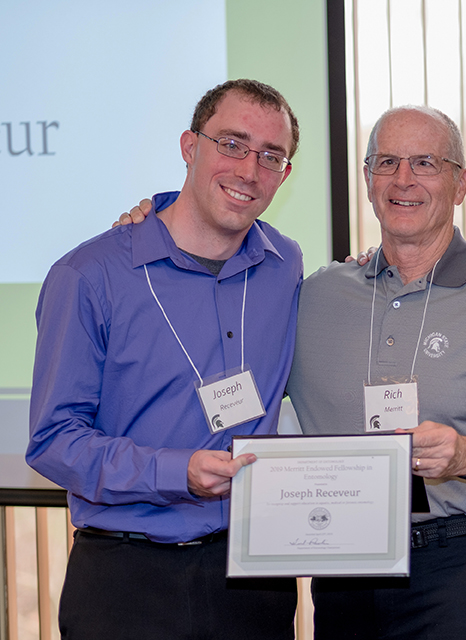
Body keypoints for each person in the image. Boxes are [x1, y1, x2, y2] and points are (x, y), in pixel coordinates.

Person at [27, 79, 303, 640]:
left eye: (271, 156)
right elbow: (53, 440)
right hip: (127, 582)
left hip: (253, 579)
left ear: (284, 173)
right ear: (189, 145)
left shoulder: (286, 265)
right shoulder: (89, 276)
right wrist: (176, 472)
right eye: (231, 144)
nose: (249, 170)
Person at [287, 105, 466, 639]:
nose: (403, 179)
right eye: (387, 162)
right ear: (367, 181)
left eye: (425, 163)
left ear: (460, 184)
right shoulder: (317, 296)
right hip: (342, 571)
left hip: (461, 572)